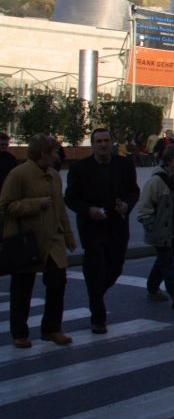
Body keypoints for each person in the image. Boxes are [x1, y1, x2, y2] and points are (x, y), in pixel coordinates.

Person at [1, 134, 77, 348]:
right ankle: (20, 332)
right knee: (22, 288)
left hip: (53, 238)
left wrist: (69, 235)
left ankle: (52, 328)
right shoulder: (19, 174)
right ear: (43, 153)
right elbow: (6, 206)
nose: (57, 156)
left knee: (57, 281)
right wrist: (35, 204)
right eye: (54, 152)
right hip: (26, 239)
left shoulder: (54, 175)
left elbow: (59, 207)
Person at [64, 127, 140, 334]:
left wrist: (126, 205)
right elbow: (70, 197)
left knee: (115, 268)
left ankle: (95, 297)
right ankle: (98, 315)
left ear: (112, 142)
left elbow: (133, 191)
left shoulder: (124, 165)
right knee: (94, 268)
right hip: (92, 227)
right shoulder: (80, 168)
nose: (103, 145)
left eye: (106, 140)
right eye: (99, 141)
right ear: (93, 144)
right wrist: (89, 210)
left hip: (117, 225)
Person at [136, 145, 174, 309]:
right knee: (167, 260)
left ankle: (152, 286)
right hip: (159, 228)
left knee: (165, 259)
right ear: (170, 161)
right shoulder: (156, 181)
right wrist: (151, 224)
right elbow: (144, 207)